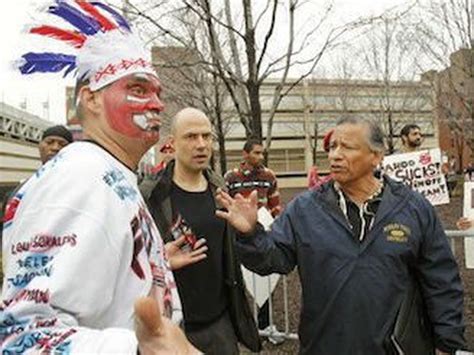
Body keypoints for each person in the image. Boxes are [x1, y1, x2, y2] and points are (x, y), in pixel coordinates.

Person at [1, 2, 197, 353]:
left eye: (158, 93)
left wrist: (154, 263)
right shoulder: (78, 180)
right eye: (138, 89)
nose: (157, 104)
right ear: (90, 100)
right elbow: (22, 336)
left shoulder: (105, 171)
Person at [216, 116, 467, 354]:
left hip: (396, 348)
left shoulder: (412, 207)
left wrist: (447, 341)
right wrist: (250, 234)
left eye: (346, 147)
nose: (335, 154)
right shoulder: (305, 210)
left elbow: (441, 278)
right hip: (325, 346)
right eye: (333, 146)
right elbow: (272, 259)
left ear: (376, 156)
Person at [140, 108, 260, 354]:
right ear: (172, 143)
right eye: (191, 137)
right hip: (170, 325)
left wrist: (249, 232)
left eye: (207, 137)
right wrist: (159, 262)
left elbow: (239, 254)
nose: (201, 144)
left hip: (219, 324)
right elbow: (127, 261)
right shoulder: (150, 196)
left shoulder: (220, 190)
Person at [224, 138, 283, 336]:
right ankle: (239, 322)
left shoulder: (269, 176)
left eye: (262, 153)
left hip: (262, 232)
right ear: (245, 154)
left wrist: (278, 227)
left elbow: (275, 205)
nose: (260, 156)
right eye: (256, 153)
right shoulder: (231, 177)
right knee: (236, 276)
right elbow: (226, 205)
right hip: (237, 233)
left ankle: (265, 324)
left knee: (264, 277)